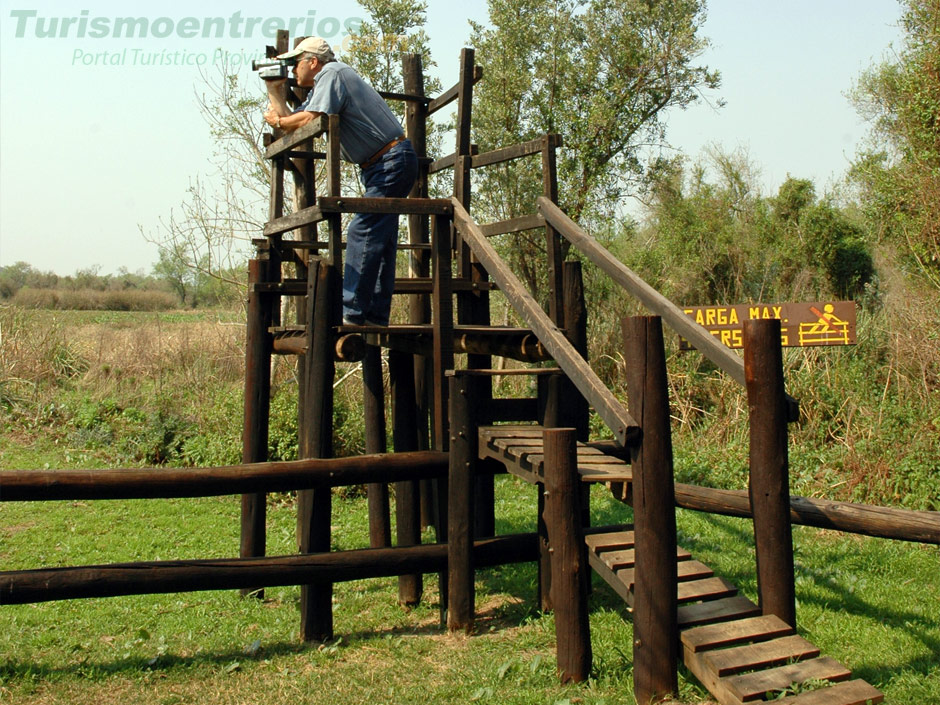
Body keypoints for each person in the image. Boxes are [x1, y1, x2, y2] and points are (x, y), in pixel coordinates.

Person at [262, 36, 418, 327]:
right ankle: (373, 315)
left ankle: (352, 312)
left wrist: (281, 122)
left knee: (363, 229)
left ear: (313, 61)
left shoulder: (333, 73)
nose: (294, 69)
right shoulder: (324, 84)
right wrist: (274, 90)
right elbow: (297, 121)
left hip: (390, 161)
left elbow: (306, 119)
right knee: (380, 239)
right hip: (384, 164)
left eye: (296, 62)